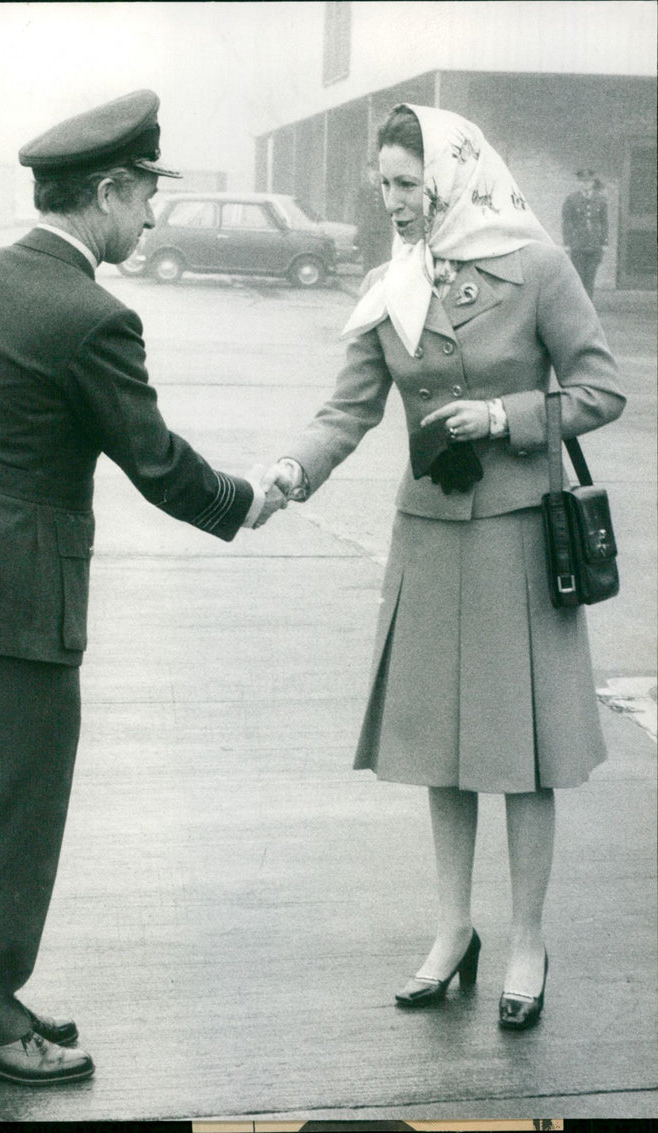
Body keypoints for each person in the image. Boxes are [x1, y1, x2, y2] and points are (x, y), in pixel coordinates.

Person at [0, 89, 286, 1086]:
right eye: (144, 194)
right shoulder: (93, 315)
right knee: (13, 815)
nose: (149, 216)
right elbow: (154, 462)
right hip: (19, 602)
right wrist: (245, 501)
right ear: (103, 190)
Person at [260, 105, 625, 1030]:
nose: (393, 202)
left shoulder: (537, 266)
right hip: (429, 534)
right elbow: (347, 409)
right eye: (381, 185)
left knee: (524, 753)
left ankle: (528, 939)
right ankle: (453, 928)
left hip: (515, 537)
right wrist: (291, 469)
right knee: (444, 751)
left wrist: (507, 418)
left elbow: (600, 387)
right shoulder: (392, 285)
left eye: (407, 185)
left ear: (452, 177)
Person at [562, 168, 608, 300]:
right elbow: (567, 222)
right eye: (583, 181)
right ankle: (579, 306)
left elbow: (604, 222)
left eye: (588, 181)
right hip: (578, 244)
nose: (585, 184)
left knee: (590, 277)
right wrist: (567, 243)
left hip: (594, 244)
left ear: (593, 182)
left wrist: (604, 243)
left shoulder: (601, 200)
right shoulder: (571, 199)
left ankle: (589, 306)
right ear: (579, 182)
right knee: (579, 277)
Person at [355, 160, 392, 272]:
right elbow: (358, 207)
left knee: (382, 257)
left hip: (382, 228)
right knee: (368, 256)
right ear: (368, 172)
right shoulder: (363, 187)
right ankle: (368, 280)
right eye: (372, 170)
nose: (375, 173)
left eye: (378, 170)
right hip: (367, 228)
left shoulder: (385, 188)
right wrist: (359, 224)